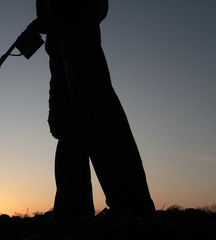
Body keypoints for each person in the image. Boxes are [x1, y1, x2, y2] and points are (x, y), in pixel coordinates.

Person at [30, 0, 156, 236]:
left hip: (72, 8)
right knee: (64, 117)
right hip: (53, 18)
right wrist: (45, 15)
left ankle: (132, 208)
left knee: (90, 91)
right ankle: (72, 214)